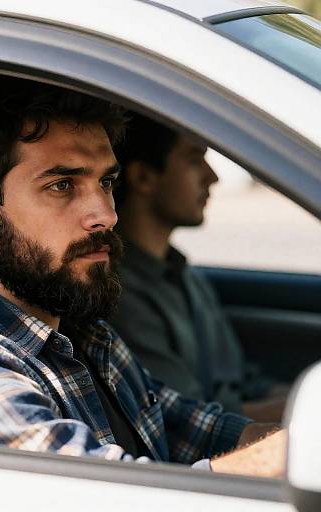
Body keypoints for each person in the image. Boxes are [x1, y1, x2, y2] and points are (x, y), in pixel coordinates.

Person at [0, 74, 284, 477]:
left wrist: (292, 443)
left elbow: (195, 429)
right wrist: (283, 461)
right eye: (62, 185)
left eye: (105, 182)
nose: (107, 215)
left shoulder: (81, 331)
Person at [112, 113, 286, 422]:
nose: (212, 177)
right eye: (194, 160)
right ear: (144, 178)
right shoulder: (119, 293)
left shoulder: (186, 276)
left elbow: (247, 383)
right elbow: (184, 421)